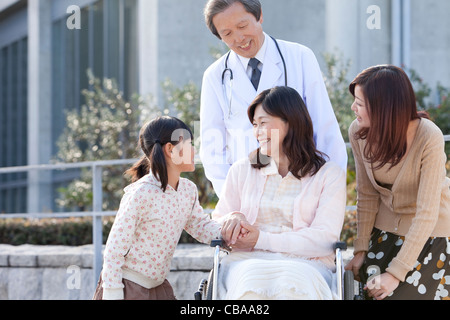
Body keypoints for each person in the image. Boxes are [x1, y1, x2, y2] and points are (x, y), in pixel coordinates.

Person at [200, 0, 347, 196]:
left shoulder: (299, 57)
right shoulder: (215, 76)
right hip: (247, 193)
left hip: (301, 185)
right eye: (227, 34)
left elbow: (324, 127)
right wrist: (232, 199)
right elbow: (212, 147)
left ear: (259, 15)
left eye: (242, 26)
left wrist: (330, 189)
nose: (239, 38)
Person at [212, 86, 346, 300]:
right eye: (254, 125)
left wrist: (261, 239)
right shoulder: (242, 170)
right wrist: (232, 218)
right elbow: (217, 222)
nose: (257, 132)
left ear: (290, 122)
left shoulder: (328, 175)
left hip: (306, 264)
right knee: (251, 280)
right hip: (246, 262)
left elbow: (325, 238)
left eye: (263, 123)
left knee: (292, 283)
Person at [345, 65, 450, 300]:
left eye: (359, 103)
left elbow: (426, 213)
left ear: (384, 108)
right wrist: (361, 248)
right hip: (386, 231)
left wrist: (395, 274)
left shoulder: (428, 137)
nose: (353, 108)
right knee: (367, 292)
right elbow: (367, 193)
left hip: (430, 234)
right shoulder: (358, 132)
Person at [93, 116, 221, 300]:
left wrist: (232, 233)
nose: (194, 150)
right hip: (127, 288)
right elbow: (114, 250)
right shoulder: (140, 193)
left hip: (158, 287)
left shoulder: (188, 190)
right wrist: (113, 294)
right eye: (189, 144)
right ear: (170, 149)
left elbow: (201, 226)